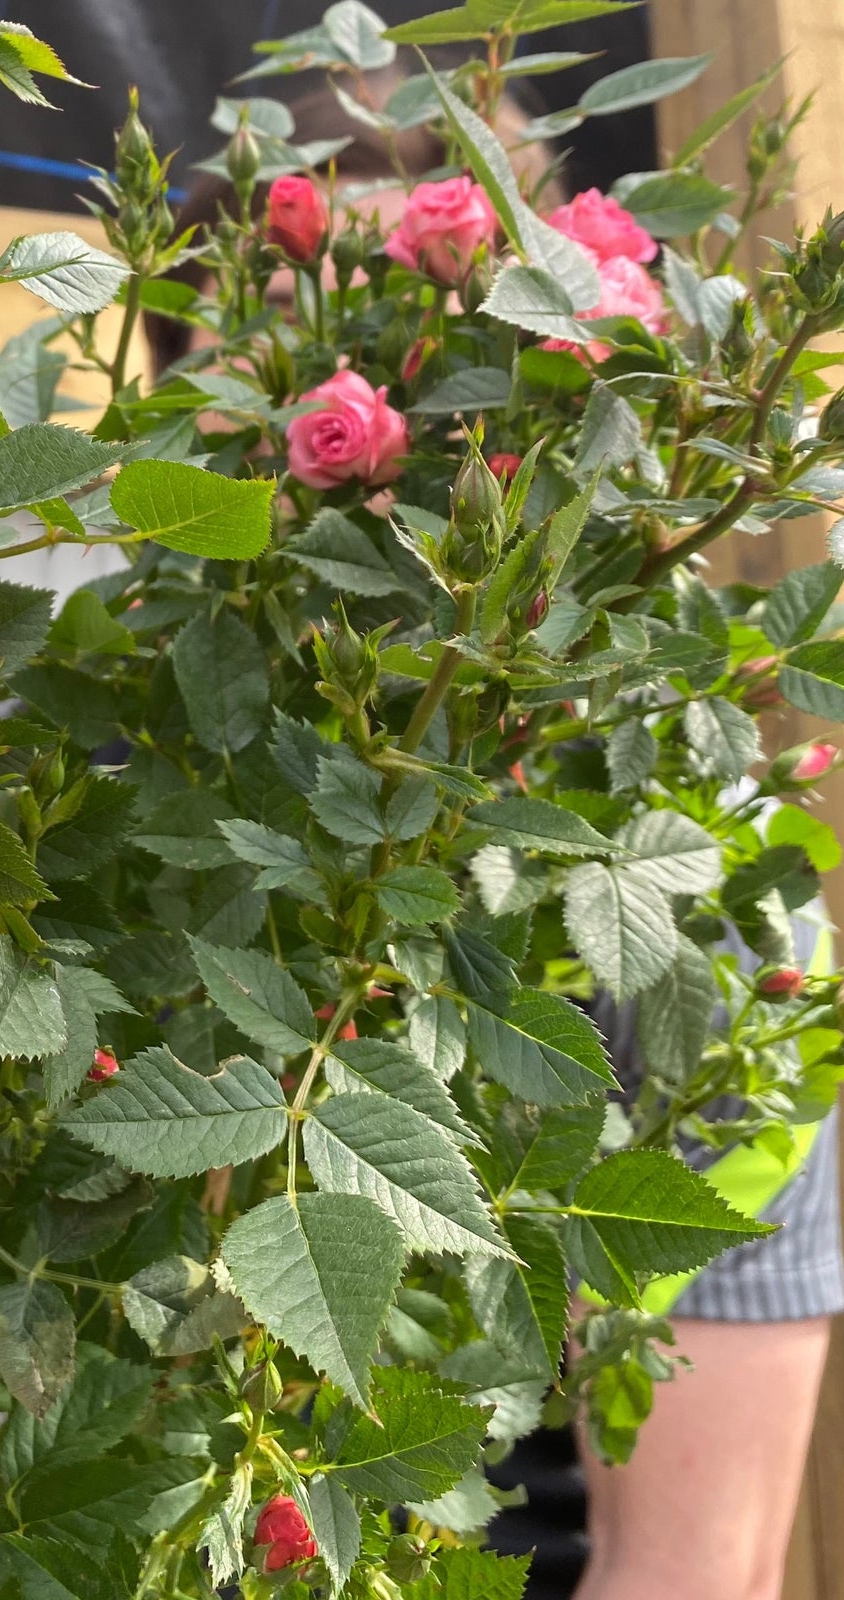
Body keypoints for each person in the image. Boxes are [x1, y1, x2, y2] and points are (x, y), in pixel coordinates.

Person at [144, 72, 844, 1600]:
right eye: (298, 389)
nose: (368, 448)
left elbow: (695, 1573)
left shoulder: (684, 884)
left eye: (447, 384)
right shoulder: (98, 807)